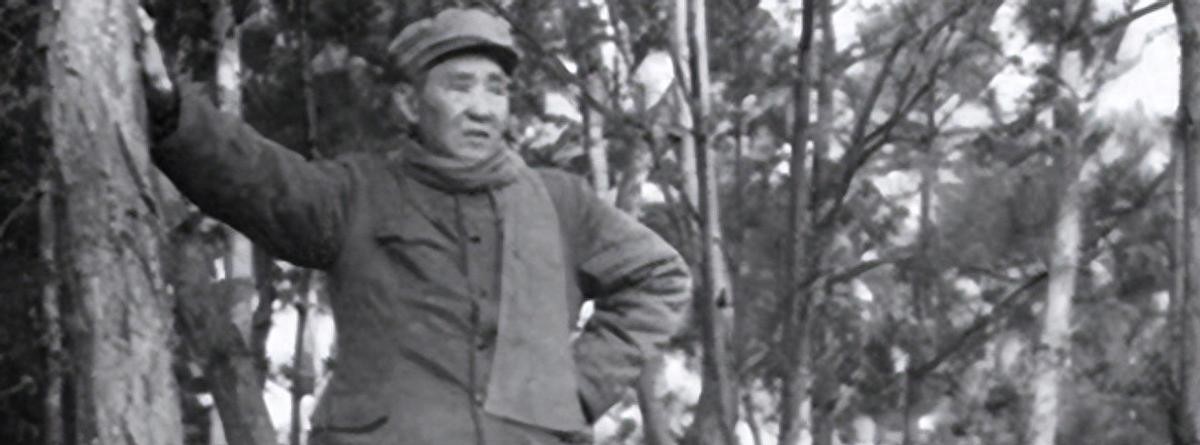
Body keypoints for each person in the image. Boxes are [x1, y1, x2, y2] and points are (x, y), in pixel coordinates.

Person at [140, 7, 691, 445]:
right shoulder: (358, 194)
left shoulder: (561, 202)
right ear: (409, 103)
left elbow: (660, 277)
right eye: (460, 86)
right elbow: (258, 179)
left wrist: (577, 389)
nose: (482, 108)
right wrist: (169, 105)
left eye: (496, 88)